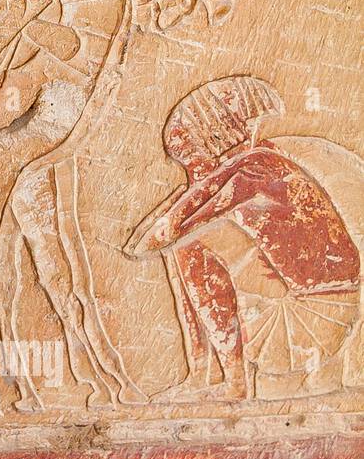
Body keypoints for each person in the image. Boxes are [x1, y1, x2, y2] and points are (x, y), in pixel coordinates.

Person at [127, 76, 360, 400]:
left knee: (191, 245)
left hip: (310, 323)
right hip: (312, 306)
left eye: (189, 157)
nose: (191, 171)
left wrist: (138, 243)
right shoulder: (264, 161)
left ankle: (229, 379)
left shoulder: (253, 166)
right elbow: (180, 214)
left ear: (214, 139)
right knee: (188, 243)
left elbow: (172, 226)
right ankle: (203, 373)